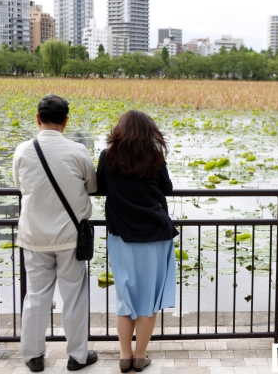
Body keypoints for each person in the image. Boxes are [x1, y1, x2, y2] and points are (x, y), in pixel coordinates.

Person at [13, 95, 98, 372]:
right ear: (66, 121)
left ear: (37, 119)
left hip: (34, 236)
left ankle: (33, 355)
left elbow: (19, 185)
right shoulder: (78, 151)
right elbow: (93, 187)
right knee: (74, 295)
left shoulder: (23, 151)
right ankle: (77, 356)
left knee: (36, 295)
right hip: (70, 237)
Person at [97, 110, 178, 373]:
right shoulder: (154, 157)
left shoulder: (108, 157)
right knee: (148, 298)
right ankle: (140, 356)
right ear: (149, 131)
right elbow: (167, 188)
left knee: (125, 296)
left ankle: (124, 356)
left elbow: (100, 187)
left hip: (122, 236)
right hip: (155, 234)